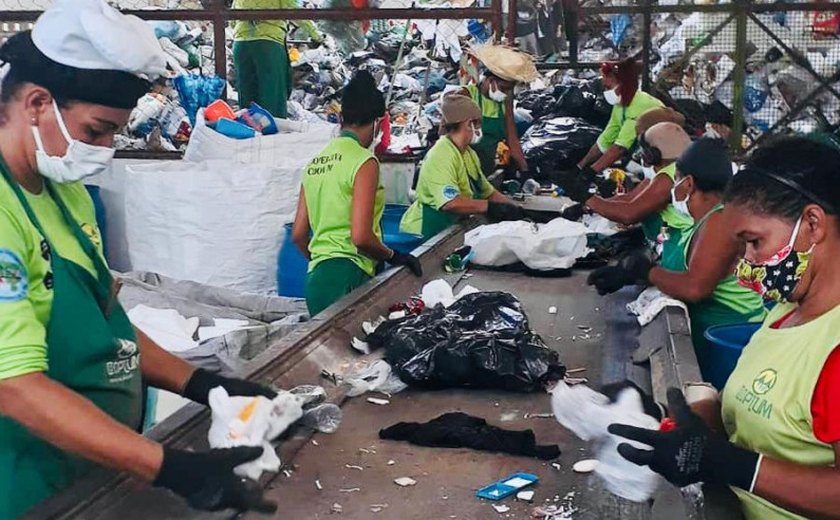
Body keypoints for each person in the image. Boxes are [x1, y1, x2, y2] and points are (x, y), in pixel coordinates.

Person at [0, 2, 280, 517]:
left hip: (93, 465)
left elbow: (107, 321)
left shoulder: (65, 192)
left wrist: (203, 384)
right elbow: (13, 386)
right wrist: (167, 467)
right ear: (37, 103)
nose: (105, 149)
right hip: (25, 485)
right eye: (95, 131)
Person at [609, 136, 840, 520]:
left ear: (812, 224)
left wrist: (727, 463)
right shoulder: (784, 313)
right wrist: (675, 420)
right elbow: (760, 429)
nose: (745, 262)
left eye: (754, 242)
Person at [587, 138, 766, 379]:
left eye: (676, 180)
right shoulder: (702, 222)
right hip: (713, 330)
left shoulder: (719, 222)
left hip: (729, 337)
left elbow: (696, 287)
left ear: (688, 183)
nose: (674, 190)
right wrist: (626, 274)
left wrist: (647, 271)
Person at [293, 71, 422, 316]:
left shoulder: (314, 163)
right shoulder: (364, 162)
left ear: (341, 117)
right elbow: (361, 237)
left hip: (315, 281)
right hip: (349, 275)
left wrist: (323, 261)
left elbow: (298, 235)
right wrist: (394, 255)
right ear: (377, 122)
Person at [400, 95, 524, 239]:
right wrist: (490, 207)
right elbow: (450, 203)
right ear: (468, 123)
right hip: (424, 232)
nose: (479, 128)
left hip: (448, 227)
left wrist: (517, 210)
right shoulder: (442, 155)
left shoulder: (468, 153)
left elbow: (487, 192)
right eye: (477, 123)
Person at [570, 122, 693, 257]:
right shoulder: (671, 169)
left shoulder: (668, 176)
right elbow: (631, 198)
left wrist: (585, 197)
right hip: (671, 240)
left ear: (653, 155)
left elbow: (630, 214)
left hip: (681, 244)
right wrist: (587, 207)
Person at [232, 0, 323, 118]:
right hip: (268, 44)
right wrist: (317, 36)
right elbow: (295, 11)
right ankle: (271, 132)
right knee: (272, 96)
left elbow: (232, 20)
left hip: (241, 44)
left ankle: (248, 130)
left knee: (247, 96)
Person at [577, 58, 664, 176]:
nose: (604, 86)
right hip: (646, 153)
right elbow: (606, 139)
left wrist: (590, 173)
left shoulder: (639, 104)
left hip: (663, 156)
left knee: (632, 170)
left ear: (620, 82)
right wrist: (580, 166)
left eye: (608, 87)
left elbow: (620, 148)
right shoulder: (620, 105)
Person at [460, 45, 537, 177]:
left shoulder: (504, 102)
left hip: (487, 168)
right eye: (504, 88)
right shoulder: (466, 96)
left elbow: (512, 138)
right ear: (491, 80)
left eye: (509, 90)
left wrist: (525, 170)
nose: (506, 93)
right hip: (463, 169)